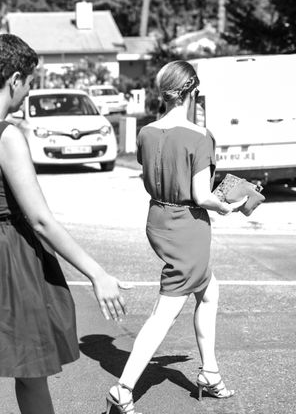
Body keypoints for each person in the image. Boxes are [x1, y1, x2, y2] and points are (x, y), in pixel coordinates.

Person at [0, 33, 130, 414]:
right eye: (30, 83)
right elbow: (40, 220)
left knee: (30, 371)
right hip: (5, 261)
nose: (27, 92)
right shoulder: (7, 136)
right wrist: (97, 273)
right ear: (15, 79)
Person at [105, 60, 246, 414]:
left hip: (159, 218)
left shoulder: (146, 132)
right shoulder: (200, 136)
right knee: (164, 312)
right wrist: (226, 206)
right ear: (191, 92)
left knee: (209, 291)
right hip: (188, 225)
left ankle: (210, 372)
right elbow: (201, 195)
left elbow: (147, 176)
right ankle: (123, 388)